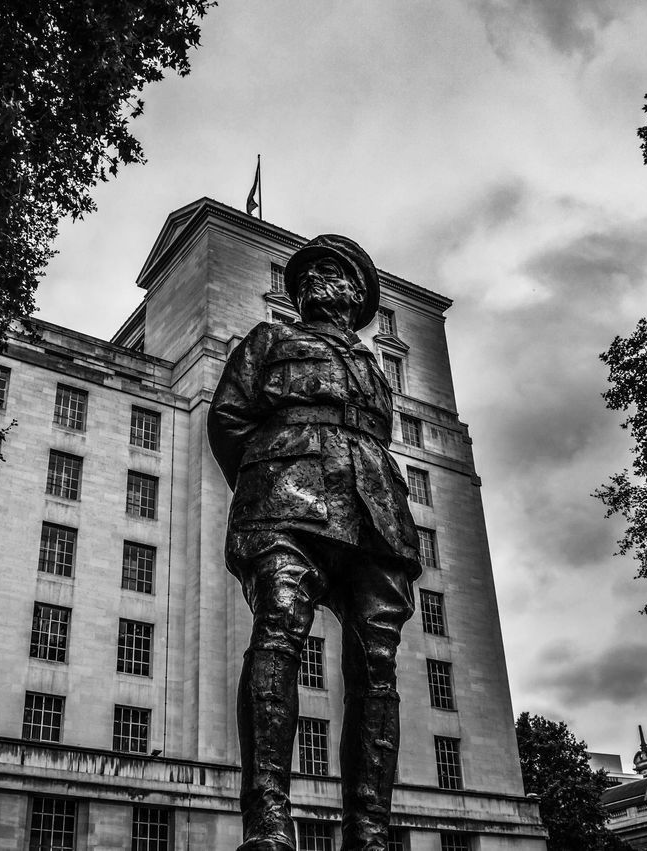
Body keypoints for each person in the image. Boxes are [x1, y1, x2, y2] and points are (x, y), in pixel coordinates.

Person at [208, 234, 422, 851]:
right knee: (278, 626)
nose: (324, 281)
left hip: (374, 511)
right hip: (284, 497)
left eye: (340, 275)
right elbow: (229, 419)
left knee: (377, 664)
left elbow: (374, 437)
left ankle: (370, 830)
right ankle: (269, 822)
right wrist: (271, 476)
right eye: (314, 273)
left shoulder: (372, 369)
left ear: (358, 297)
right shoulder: (267, 341)